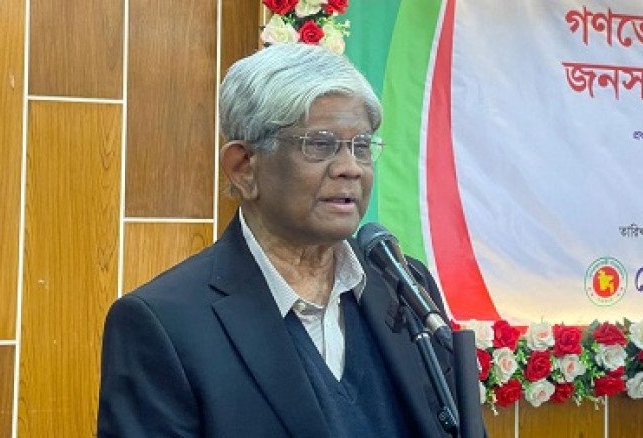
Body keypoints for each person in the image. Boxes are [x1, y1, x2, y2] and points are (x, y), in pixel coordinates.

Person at [97, 43, 455, 437]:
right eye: (320, 144)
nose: (351, 168)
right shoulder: (165, 323)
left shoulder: (403, 288)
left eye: (361, 146)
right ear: (244, 167)